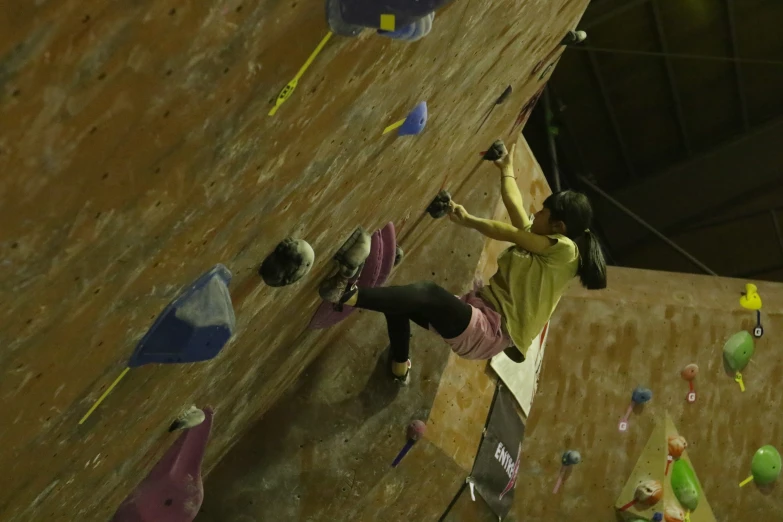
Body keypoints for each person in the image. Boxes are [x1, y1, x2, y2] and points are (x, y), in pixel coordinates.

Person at [319, 142, 607, 383]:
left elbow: (508, 231)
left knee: (427, 293)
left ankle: (346, 294)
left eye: (544, 212)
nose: (537, 213)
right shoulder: (545, 241)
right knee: (401, 303)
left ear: (559, 227)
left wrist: (468, 220)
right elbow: (515, 205)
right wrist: (506, 169)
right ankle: (399, 366)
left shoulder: (565, 252)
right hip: (478, 313)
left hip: (489, 331)